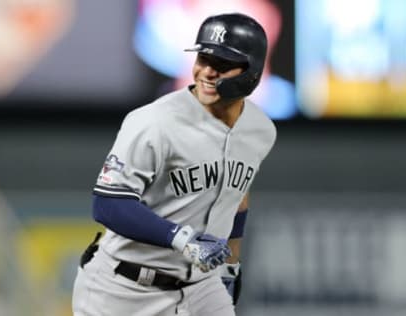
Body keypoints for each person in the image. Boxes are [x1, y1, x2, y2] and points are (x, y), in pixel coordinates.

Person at [72, 13, 276, 316]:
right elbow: (108, 204)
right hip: (123, 288)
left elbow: (237, 200)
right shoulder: (154, 121)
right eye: (203, 58)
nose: (206, 71)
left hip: (199, 286)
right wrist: (182, 239)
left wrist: (230, 268)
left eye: (221, 64)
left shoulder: (260, 129)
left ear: (251, 71)